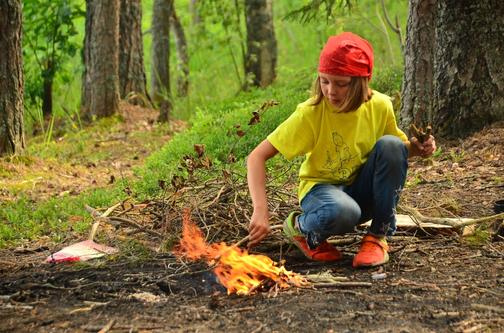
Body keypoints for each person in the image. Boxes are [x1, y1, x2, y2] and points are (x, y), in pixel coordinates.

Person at [246, 32, 436, 268]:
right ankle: (301, 229)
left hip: (360, 191)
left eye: (341, 83)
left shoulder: (379, 105)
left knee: (392, 144)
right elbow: (256, 156)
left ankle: (377, 237)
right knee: (344, 212)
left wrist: (418, 149)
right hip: (322, 193)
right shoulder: (311, 113)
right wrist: (260, 210)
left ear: (360, 82)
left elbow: (396, 155)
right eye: (324, 81)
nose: (330, 91)